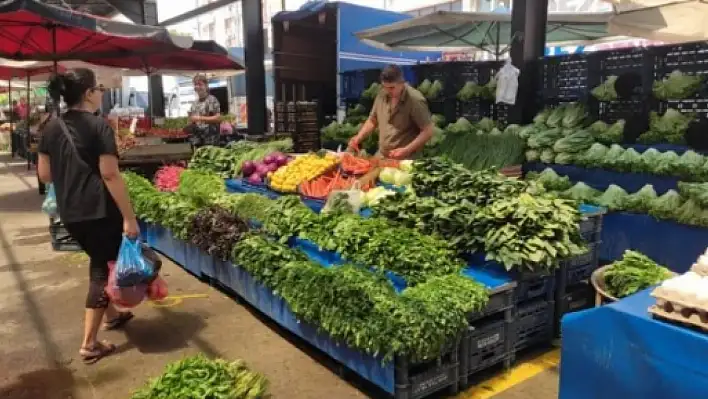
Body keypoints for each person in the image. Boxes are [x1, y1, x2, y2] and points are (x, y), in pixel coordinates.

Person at [37, 68, 140, 364]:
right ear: (88, 93)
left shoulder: (51, 128)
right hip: (99, 210)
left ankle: (112, 316)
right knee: (103, 271)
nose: (102, 93)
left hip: (70, 212)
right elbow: (110, 174)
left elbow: (45, 174)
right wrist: (129, 218)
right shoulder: (99, 126)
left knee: (98, 259)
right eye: (100, 88)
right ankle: (89, 344)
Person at [348, 65, 434, 159]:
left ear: (402, 83)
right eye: (385, 87)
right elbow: (372, 120)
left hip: (407, 158)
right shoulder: (381, 94)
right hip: (382, 155)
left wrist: (407, 150)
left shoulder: (415, 100)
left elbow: (428, 131)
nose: (388, 91)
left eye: (392, 87)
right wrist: (358, 138)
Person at [187, 74, 221, 147]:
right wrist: (190, 124)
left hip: (210, 142)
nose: (197, 87)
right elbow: (193, 121)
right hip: (197, 141)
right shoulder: (194, 104)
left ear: (206, 86)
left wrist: (199, 118)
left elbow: (218, 118)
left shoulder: (212, 100)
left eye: (200, 84)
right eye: (195, 84)